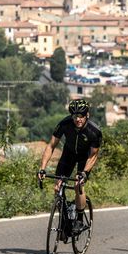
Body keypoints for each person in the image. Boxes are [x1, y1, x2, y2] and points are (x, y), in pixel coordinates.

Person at [37, 99, 102, 233]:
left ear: (87, 115)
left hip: (85, 158)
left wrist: (84, 173)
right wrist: (42, 168)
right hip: (69, 154)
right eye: (75, 116)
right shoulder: (64, 124)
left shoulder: (94, 131)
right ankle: (65, 216)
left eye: (81, 116)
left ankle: (79, 219)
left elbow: (93, 155)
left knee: (78, 184)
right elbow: (51, 146)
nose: (78, 119)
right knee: (58, 186)